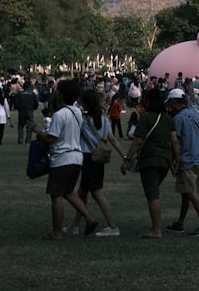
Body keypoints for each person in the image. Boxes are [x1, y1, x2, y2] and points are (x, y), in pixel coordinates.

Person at [26, 79, 101, 241]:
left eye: (57, 91)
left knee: (56, 195)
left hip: (62, 159)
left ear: (61, 94)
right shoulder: (76, 112)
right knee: (68, 192)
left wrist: (37, 130)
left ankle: (57, 232)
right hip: (76, 157)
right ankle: (89, 218)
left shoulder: (60, 115)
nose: (55, 93)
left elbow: (51, 138)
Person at [120, 89, 178, 239]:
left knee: (152, 195)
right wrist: (175, 160)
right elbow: (174, 142)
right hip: (164, 161)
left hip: (150, 161)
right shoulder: (168, 119)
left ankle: (156, 230)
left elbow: (137, 141)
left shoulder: (145, 118)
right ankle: (155, 226)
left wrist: (126, 160)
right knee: (153, 193)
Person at [69, 89, 126, 237]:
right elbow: (112, 139)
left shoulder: (84, 120)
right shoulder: (104, 120)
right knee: (82, 193)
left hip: (88, 158)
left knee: (96, 193)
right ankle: (75, 225)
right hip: (99, 159)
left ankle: (113, 226)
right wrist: (124, 156)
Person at [163, 89, 199, 237]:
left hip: (186, 160)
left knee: (190, 192)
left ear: (174, 101)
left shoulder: (178, 119)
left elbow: (175, 142)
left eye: (170, 102)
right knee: (186, 193)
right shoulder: (195, 115)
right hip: (197, 159)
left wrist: (175, 161)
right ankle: (180, 223)